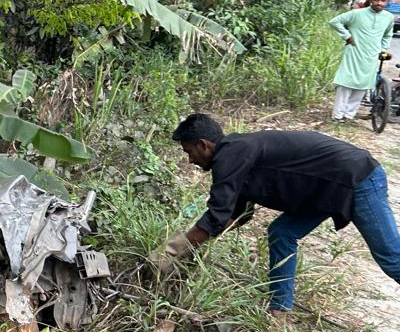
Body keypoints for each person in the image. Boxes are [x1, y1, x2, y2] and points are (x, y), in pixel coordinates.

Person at [153, 114, 400, 316]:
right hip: (326, 188)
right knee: (281, 233)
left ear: (203, 145)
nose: (190, 160)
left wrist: (171, 253)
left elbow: (217, 215)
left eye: (189, 152)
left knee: (391, 257)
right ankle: (279, 311)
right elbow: (237, 213)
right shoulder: (238, 153)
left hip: (357, 178)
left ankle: (280, 308)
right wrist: (192, 250)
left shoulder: (230, 155)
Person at [328, 0, 394, 120]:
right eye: (376, 0)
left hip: (372, 55)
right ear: (370, 0)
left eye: (383, 0)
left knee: (362, 86)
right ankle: (337, 116)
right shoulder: (357, 14)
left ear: (386, 2)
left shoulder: (388, 17)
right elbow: (334, 22)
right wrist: (347, 36)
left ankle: (348, 115)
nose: (379, 3)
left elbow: (387, 35)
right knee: (345, 83)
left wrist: (383, 48)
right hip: (354, 52)